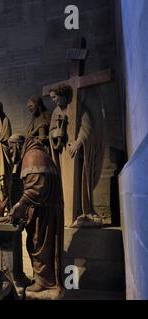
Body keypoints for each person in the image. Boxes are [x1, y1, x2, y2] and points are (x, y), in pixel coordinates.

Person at [8, 135, 64, 299]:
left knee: (39, 246)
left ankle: (45, 283)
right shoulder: (37, 154)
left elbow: (36, 189)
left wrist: (20, 206)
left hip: (44, 215)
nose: (11, 152)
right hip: (44, 212)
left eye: (11, 148)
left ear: (18, 145)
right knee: (38, 245)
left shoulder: (33, 156)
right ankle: (43, 280)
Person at [49, 86, 105, 227]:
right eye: (52, 98)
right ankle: (66, 214)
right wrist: (56, 134)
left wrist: (78, 143)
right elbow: (51, 132)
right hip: (64, 156)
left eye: (55, 97)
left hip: (78, 156)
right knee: (65, 185)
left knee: (79, 183)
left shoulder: (80, 109)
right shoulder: (56, 112)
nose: (54, 101)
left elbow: (87, 128)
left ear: (62, 95)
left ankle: (81, 211)